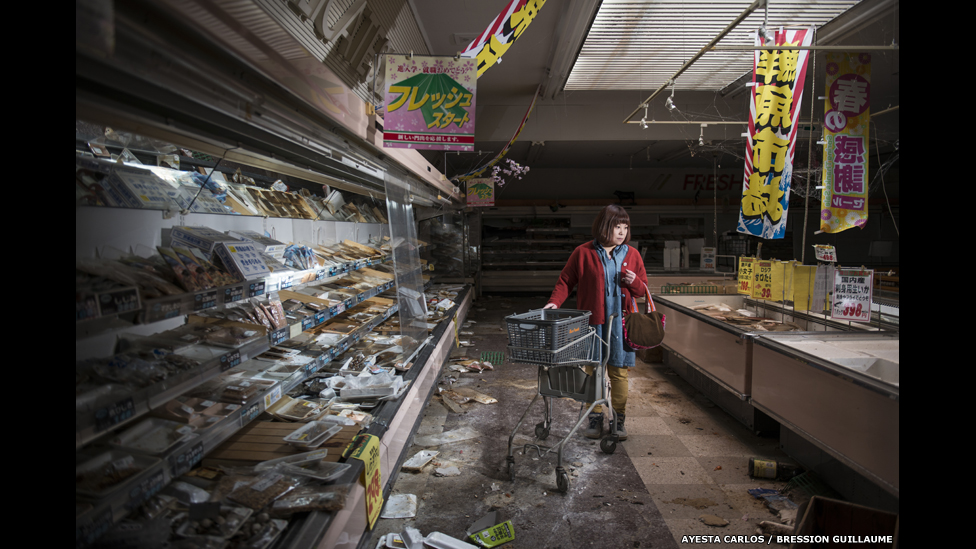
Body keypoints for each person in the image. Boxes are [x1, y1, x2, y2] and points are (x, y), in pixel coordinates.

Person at [543, 204, 648, 440]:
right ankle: (595, 415)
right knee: (593, 370)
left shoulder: (632, 254)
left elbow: (643, 290)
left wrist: (633, 282)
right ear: (603, 227)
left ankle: (618, 419)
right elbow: (566, 280)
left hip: (622, 324)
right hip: (593, 323)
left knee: (619, 372)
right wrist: (554, 302)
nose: (621, 232)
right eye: (616, 227)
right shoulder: (583, 252)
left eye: (625, 227)